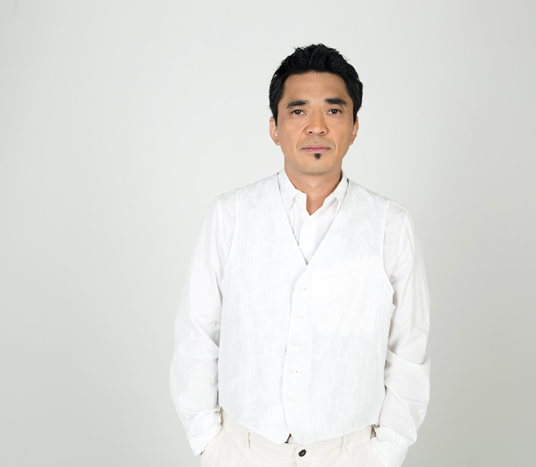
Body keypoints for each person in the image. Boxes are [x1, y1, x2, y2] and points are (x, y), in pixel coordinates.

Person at [170, 44, 431, 467]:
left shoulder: (389, 225)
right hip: (242, 450)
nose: (316, 127)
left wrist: (386, 451)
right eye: (298, 111)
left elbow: (409, 348)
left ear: (354, 126)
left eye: (333, 110)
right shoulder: (231, 215)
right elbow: (197, 332)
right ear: (274, 127)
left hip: (350, 454)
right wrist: (209, 442)